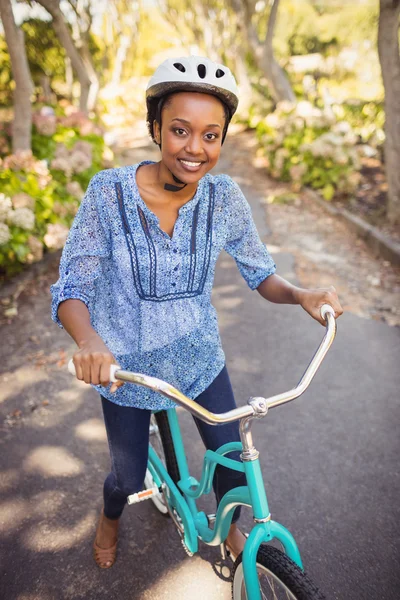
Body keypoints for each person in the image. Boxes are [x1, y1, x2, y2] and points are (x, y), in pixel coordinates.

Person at [50, 56, 343, 569]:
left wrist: (299, 293)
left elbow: (261, 275)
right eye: (181, 131)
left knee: (234, 467)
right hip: (125, 366)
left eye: (211, 135)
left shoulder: (225, 198)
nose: (195, 148)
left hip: (198, 355)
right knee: (125, 472)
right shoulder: (108, 193)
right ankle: (110, 518)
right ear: (156, 129)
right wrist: (89, 342)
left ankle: (230, 530)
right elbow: (72, 287)